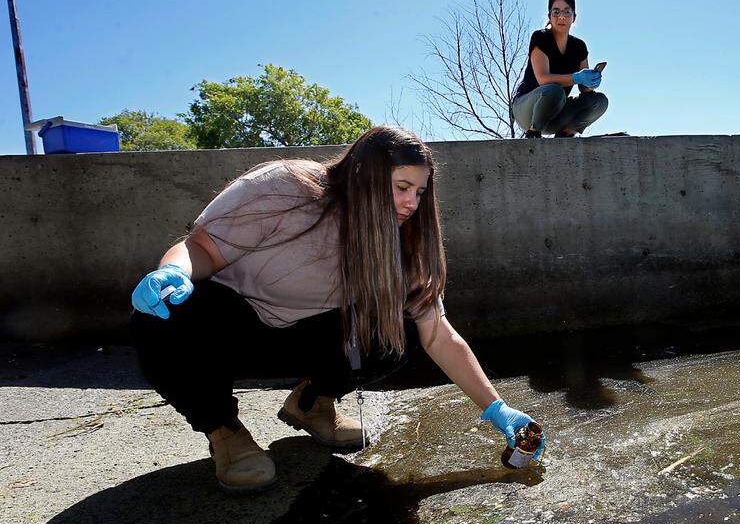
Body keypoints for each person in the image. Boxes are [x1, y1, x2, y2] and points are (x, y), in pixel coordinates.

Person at [128, 126, 546, 493]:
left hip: (306, 337)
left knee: (398, 330)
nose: (412, 203)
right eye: (401, 187)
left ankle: (312, 404)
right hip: (228, 329)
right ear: (364, 177)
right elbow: (200, 247)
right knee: (160, 314)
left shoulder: (404, 243)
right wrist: (175, 271)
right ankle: (225, 431)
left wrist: (496, 407)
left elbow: (438, 333)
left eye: (419, 192)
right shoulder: (285, 188)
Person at [512, 0, 608, 138]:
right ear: (549, 16)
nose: (561, 16)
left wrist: (591, 80)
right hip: (527, 109)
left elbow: (584, 89)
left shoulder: (579, 46)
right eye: (556, 12)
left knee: (599, 101)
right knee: (554, 91)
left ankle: (565, 134)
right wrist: (576, 77)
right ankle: (532, 134)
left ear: (574, 17)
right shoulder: (540, 37)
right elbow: (542, 79)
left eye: (567, 12)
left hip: (555, 113)